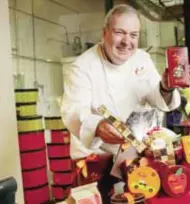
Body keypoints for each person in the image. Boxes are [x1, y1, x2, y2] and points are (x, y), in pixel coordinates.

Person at [61, 4, 180, 202]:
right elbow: (73, 110)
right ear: (104, 32)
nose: (127, 42)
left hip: (138, 158)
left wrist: (166, 88)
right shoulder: (82, 66)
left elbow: (156, 98)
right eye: (119, 33)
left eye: (133, 35)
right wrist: (97, 126)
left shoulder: (142, 58)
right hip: (98, 162)